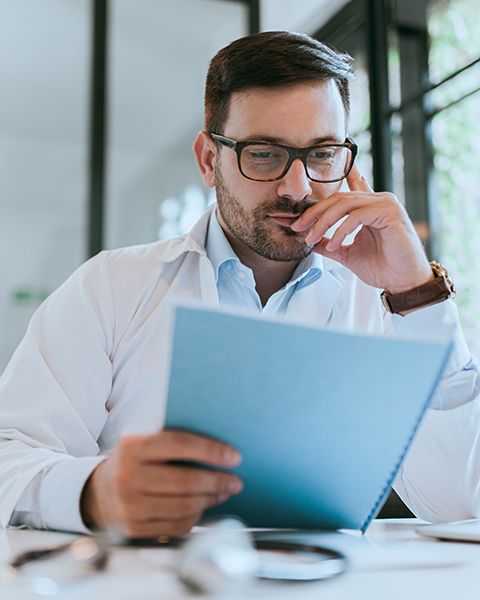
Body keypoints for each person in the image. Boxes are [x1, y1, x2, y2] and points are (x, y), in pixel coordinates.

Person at [0, 31, 479, 538]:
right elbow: (10, 455)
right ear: (210, 160)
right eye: (265, 154)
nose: (297, 188)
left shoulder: (386, 306)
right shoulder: (111, 288)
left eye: (321, 155)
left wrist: (416, 293)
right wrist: (94, 491)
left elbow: (458, 499)